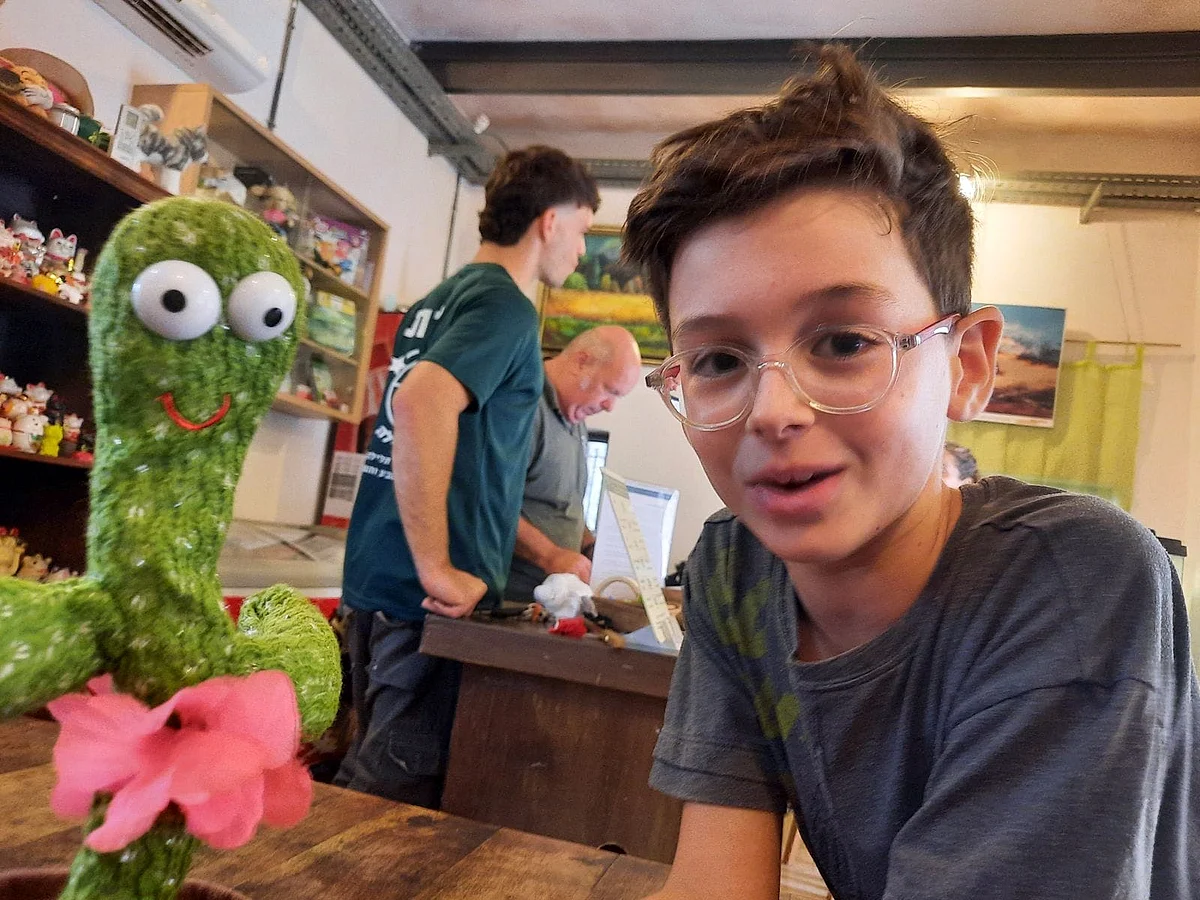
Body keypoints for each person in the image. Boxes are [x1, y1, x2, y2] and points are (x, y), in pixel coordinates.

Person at [623, 46, 1199, 899]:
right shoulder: (735, 567)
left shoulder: (1075, 580)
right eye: (717, 360)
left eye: (843, 342)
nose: (772, 411)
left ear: (967, 364)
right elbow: (716, 882)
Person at [335, 146, 600, 807]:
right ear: (550, 221)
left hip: (378, 576)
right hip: (426, 600)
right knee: (385, 805)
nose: (581, 249)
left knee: (365, 779)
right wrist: (437, 568)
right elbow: (419, 403)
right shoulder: (507, 308)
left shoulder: (436, 301)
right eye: (582, 229)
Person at [504, 325, 643, 600]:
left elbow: (563, 505)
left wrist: (590, 545)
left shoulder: (574, 415)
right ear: (581, 362)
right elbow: (488, 504)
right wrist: (550, 555)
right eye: (609, 390)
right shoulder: (523, 407)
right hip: (510, 599)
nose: (610, 406)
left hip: (553, 600)